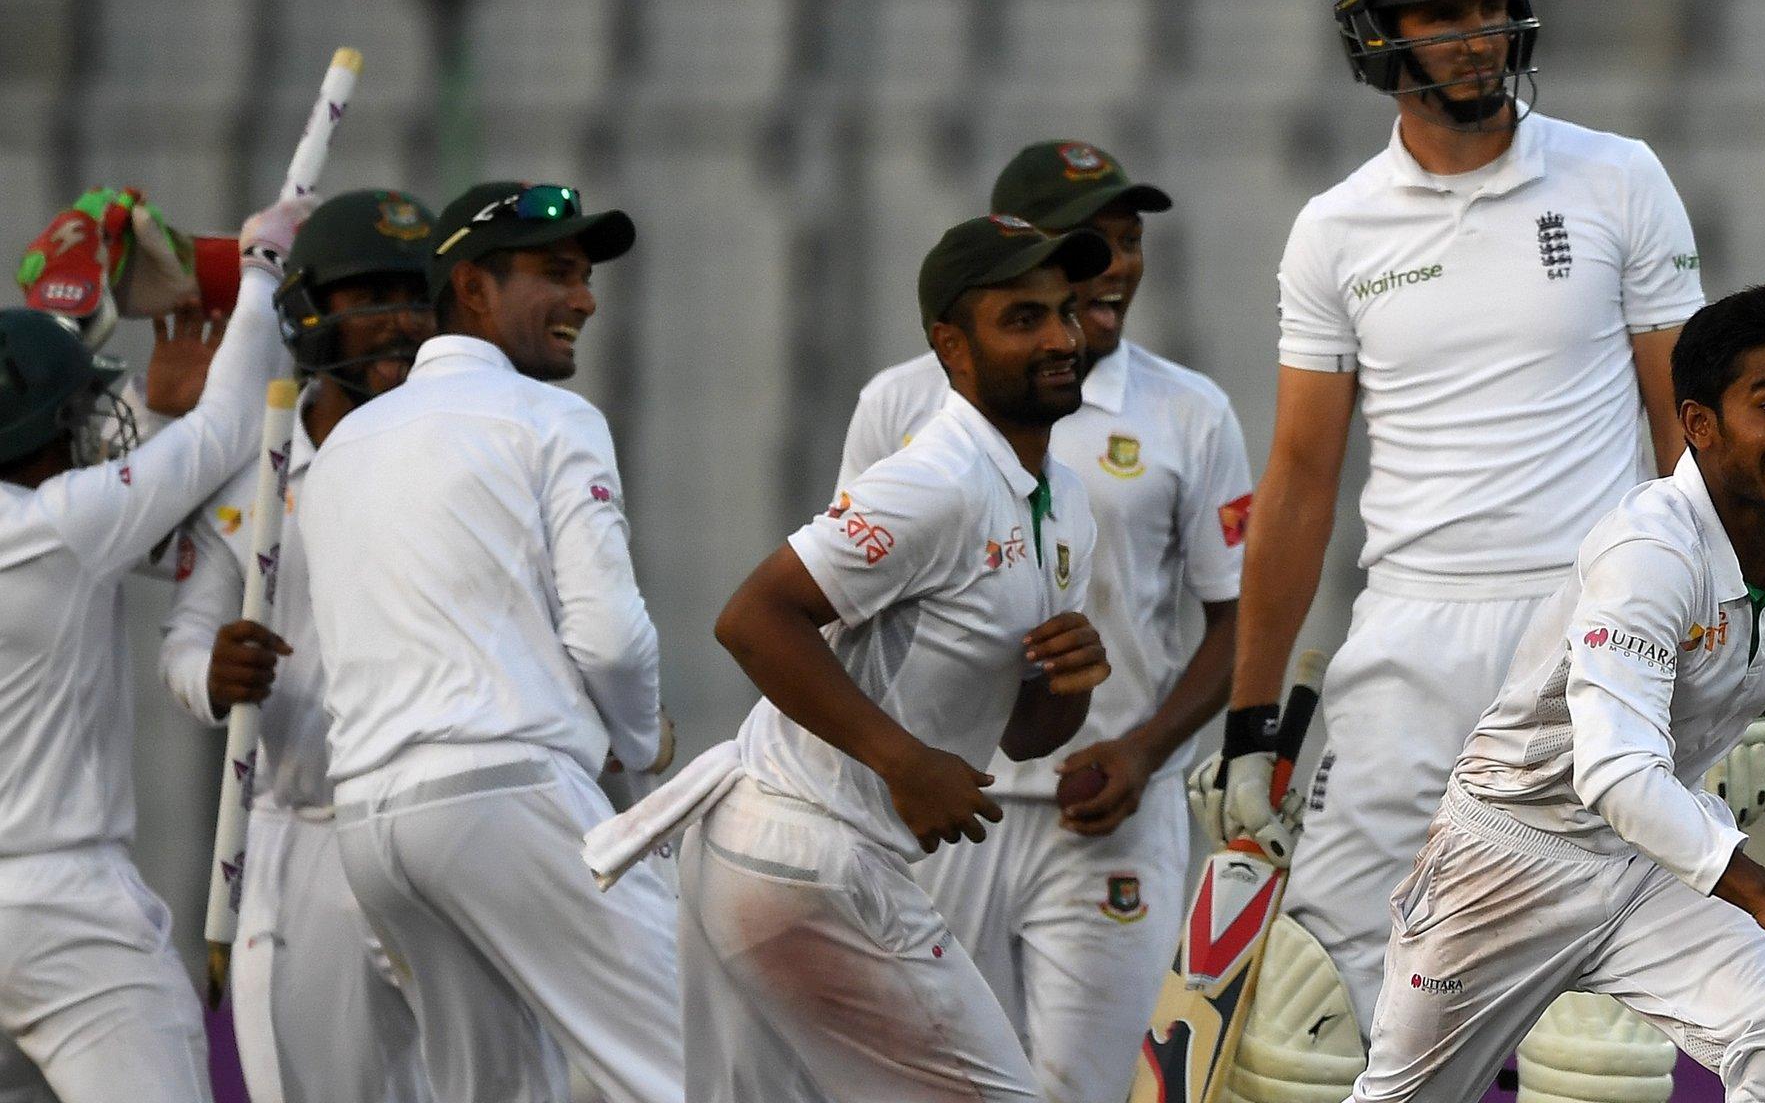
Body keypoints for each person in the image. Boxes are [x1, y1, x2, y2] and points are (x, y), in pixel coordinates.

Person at [1211, 0, 1715, 1089]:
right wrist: (1253, 725)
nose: (1479, 35)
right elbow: (1297, 480)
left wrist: (1727, 636)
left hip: (1587, 628)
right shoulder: (1332, 231)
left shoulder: (1617, 178)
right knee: (1305, 1028)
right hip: (1406, 639)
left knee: (1595, 1051)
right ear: (1373, 33)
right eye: (1443, 13)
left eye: (1493, 7)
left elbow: (1687, 428)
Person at [1355, 282, 1765, 1102]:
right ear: (1699, 424)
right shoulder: (1650, 551)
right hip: (1510, 852)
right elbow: (1616, 773)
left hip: (1654, 856)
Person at [837, 140, 1253, 1101]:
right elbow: (844, 611)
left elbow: (1240, 619)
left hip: (1107, 808)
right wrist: (896, 767)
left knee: (1087, 1088)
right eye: (1087, 244)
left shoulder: (1189, 412)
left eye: (1129, 239)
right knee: (938, 1084)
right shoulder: (899, 404)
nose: (1116, 267)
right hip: (947, 812)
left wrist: (1147, 749)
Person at [678, 215, 1113, 1100]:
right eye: (1022, 319)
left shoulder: (1063, 503)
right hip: (805, 851)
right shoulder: (933, 479)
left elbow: (1028, 735)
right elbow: (754, 618)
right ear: (952, 347)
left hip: (784, 854)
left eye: (1066, 313)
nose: (1062, 339)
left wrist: (1071, 686)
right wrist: (905, 763)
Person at [296, 182, 683, 1103]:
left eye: (586, 276)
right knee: (703, 1060)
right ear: (471, 287)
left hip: (372, 826)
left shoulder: (342, 447)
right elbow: (611, 640)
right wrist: (640, 747)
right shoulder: (551, 419)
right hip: (504, 792)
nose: (585, 297)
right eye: (556, 273)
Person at [0, 195, 308, 1102]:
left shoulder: (53, 530)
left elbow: (170, 531)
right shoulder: (52, 528)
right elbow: (222, 441)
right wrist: (258, 272)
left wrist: (165, 407)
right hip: (62, 907)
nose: (103, 423)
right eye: (83, 412)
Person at [159, 189, 439, 1103]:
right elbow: (185, 641)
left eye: (414, 296)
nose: (399, 323)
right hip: (303, 832)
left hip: (442, 825)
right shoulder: (257, 468)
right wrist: (212, 673)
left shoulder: (462, 443)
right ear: (313, 310)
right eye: (370, 298)